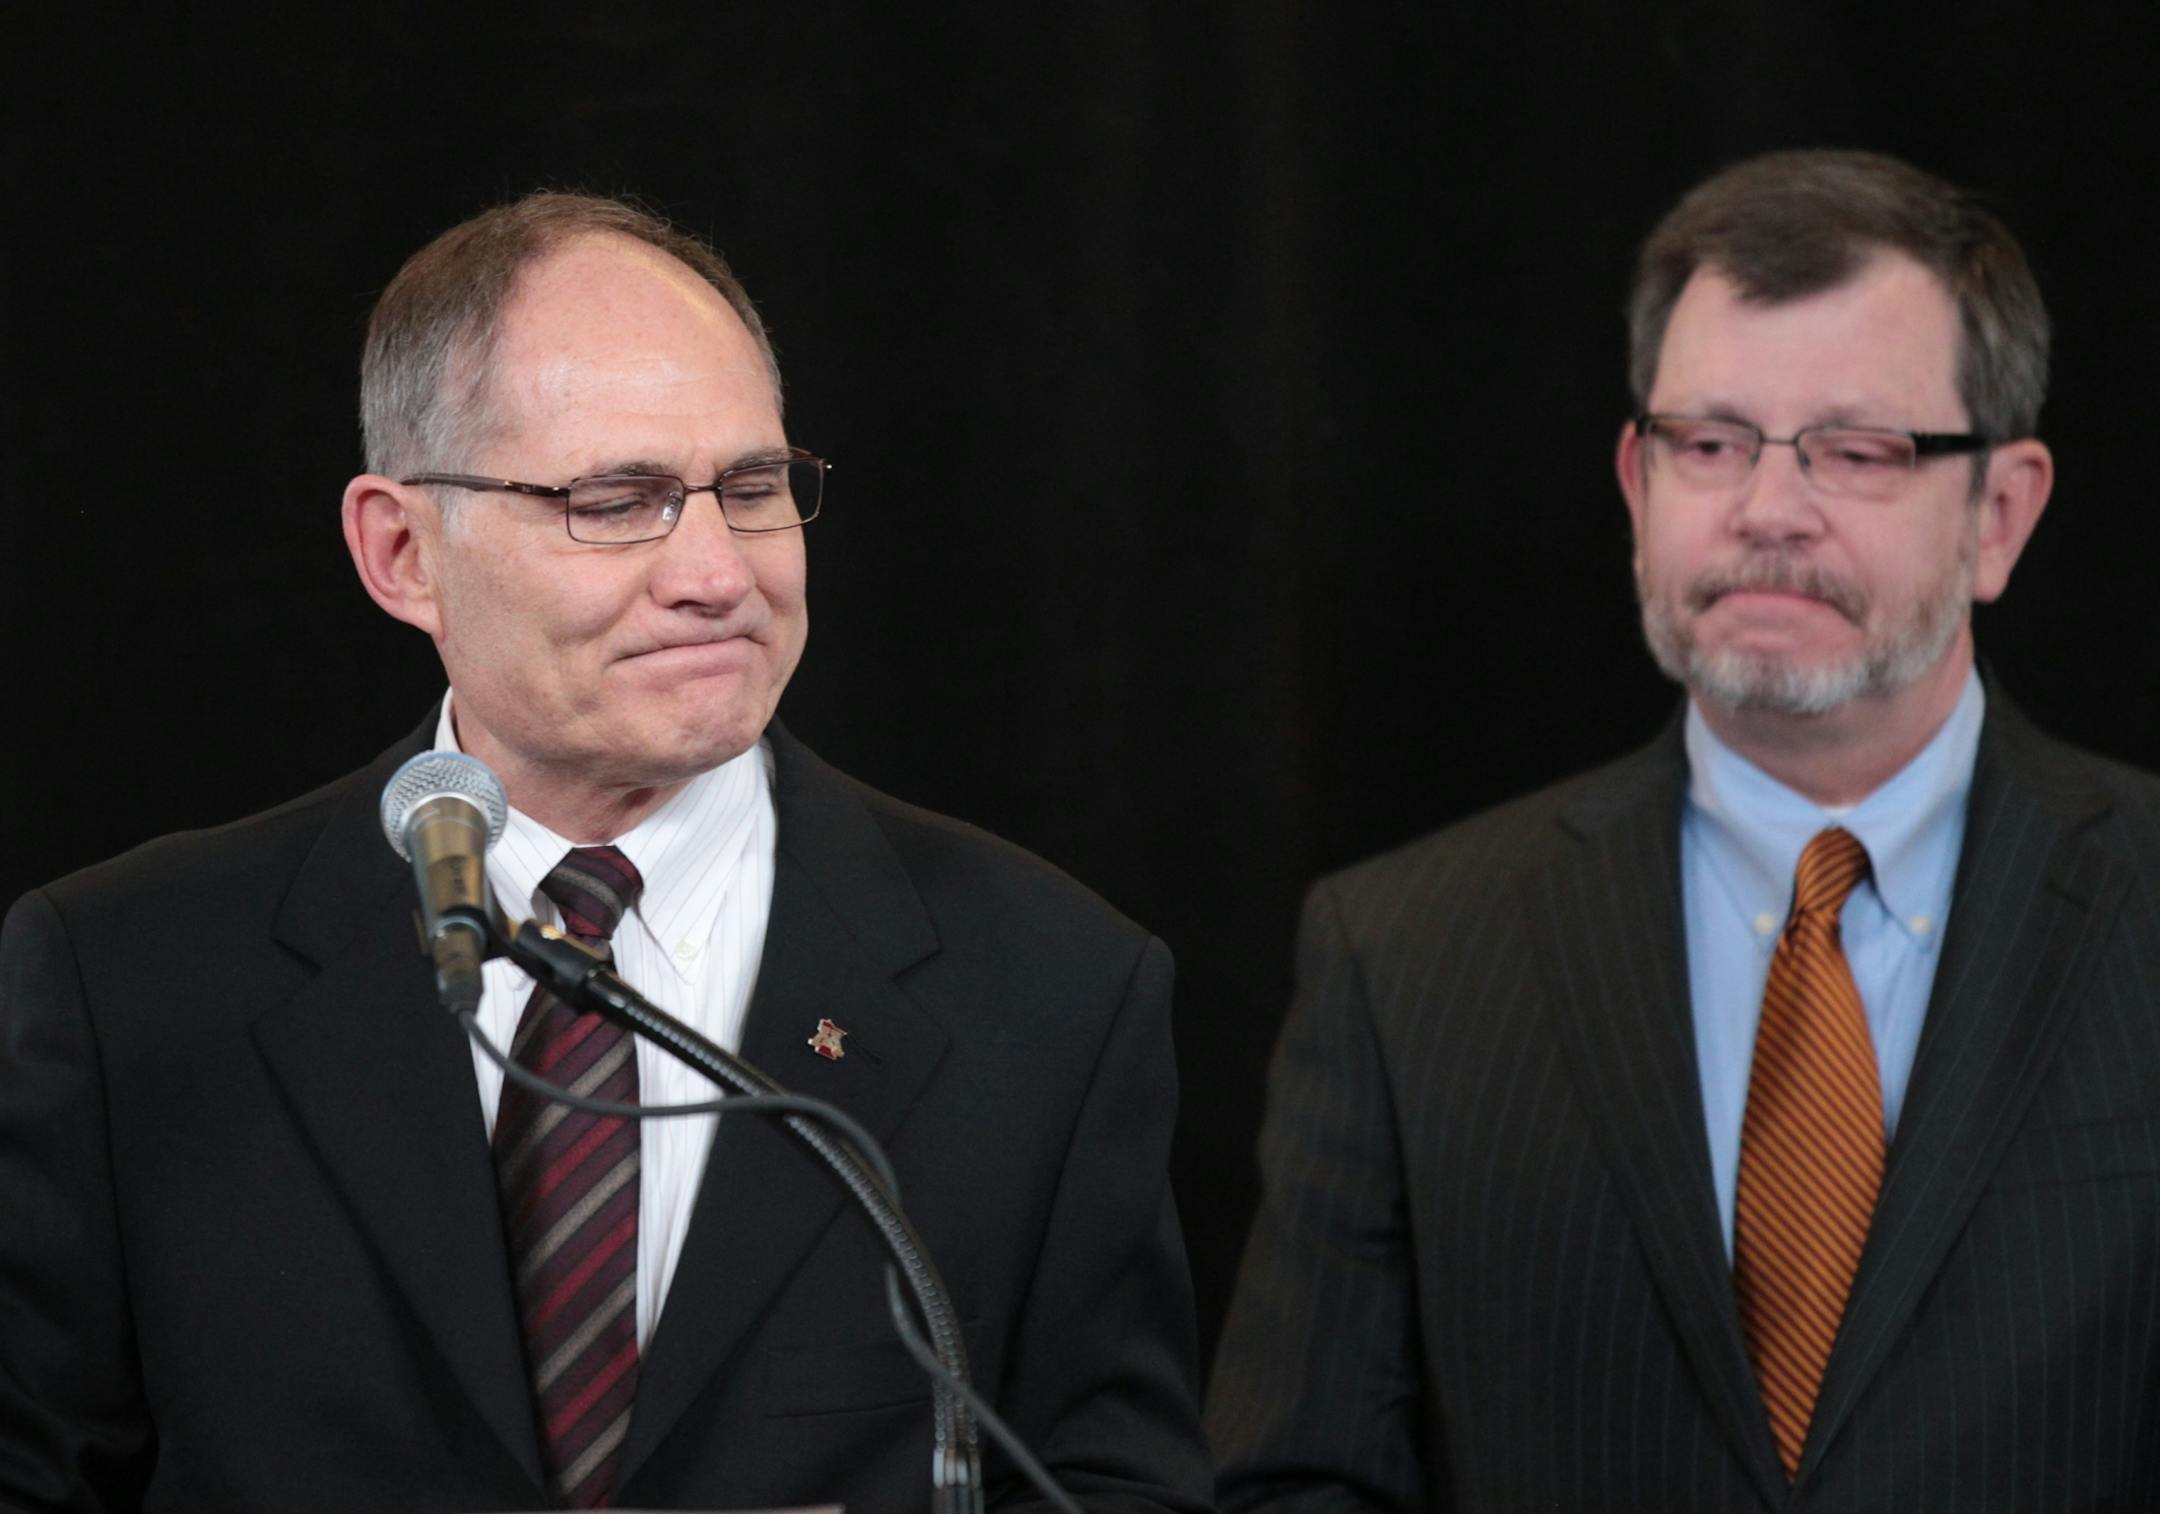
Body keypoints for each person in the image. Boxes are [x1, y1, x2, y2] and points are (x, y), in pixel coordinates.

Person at [0, 194, 1211, 1514]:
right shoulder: (127, 983)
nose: (715, 570)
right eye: (615, 500)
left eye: (751, 488)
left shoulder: (1051, 990)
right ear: (402, 551)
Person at [1208, 149, 2160, 1510]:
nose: (1768, 510)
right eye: (1710, 443)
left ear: (1999, 513)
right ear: (1637, 482)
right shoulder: (1406, 954)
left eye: (1856, 450)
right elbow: (1298, 1482)